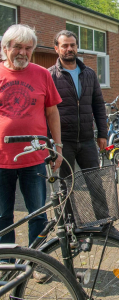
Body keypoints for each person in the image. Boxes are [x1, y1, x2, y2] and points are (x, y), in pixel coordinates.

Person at [48, 30, 119, 240]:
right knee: (66, 185)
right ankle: (71, 229)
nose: (69, 49)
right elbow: (46, 110)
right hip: (63, 142)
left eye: (72, 45)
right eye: (64, 45)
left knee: (96, 183)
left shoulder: (89, 74)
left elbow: (98, 106)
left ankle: (106, 225)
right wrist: (51, 143)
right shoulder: (49, 75)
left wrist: (102, 133)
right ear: (56, 48)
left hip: (86, 139)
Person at [0, 24, 63, 246]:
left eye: (28, 48)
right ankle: (7, 262)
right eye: (18, 47)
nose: (23, 53)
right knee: (2, 216)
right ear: (6, 47)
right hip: (1, 159)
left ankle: (38, 260)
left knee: (38, 213)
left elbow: (52, 112)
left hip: (34, 157)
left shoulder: (42, 74)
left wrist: (58, 147)